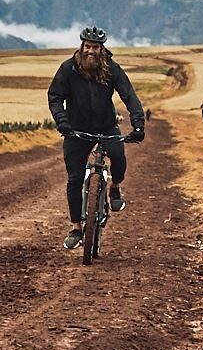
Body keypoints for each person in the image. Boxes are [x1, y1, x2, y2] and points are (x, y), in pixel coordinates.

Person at [48, 26, 145, 251]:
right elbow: (55, 97)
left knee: (118, 157)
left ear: (102, 49)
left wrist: (138, 124)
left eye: (95, 47)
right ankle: (76, 228)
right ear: (82, 46)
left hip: (106, 125)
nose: (90, 51)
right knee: (74, 179)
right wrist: (62, 121)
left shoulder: (111, 69)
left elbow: (129, 96)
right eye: (87, 46)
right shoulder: (68, 69)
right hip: (76, 129)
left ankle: (115, 187)